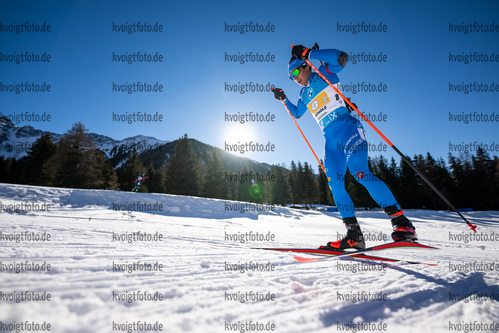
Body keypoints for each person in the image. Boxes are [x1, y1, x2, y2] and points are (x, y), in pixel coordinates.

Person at [272, 45, 417, 250]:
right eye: (291, 77)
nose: (295, 78)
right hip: (330, 142)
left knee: (360, 173)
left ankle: (402, 224)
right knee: (335, 183)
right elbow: (297, 113)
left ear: (306, 66)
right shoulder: (303, 95)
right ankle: (354, 235)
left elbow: (341, 58)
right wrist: (283, 98)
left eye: (296, 72)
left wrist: (308, 52)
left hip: (348, 129)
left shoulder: (324, 73)